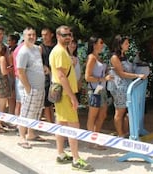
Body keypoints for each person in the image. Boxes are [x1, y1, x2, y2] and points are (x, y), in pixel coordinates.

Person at [49, 25, 94, 172]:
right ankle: (75, 159)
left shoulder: (60, 51)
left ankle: (61, 154)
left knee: (61, 124)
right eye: (64, 35)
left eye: (69, 35)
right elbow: (62, 76)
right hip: (64, 94)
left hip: (60, 93)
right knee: (73, 126)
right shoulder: (61, 52)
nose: (67, 37)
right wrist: (72, 97)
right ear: (57, 36)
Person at [109, 35, 147, 137]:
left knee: (127, 111)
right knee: (120, 111)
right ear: (119, 45)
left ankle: (126, 132)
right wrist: (137, 75)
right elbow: (121, 73)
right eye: (126, 43)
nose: (128, 45)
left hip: (127, 87)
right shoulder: (114, 57)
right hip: (119, 88)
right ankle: (120, 134)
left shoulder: (124, 56)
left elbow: (129, 70)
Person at [16, 27, 46, 149]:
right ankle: (22, 137)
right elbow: (21, 72)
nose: (32, 37)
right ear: (24, 36)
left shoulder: (37, 49)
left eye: (33, 34)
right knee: (25, 113)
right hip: (30, 89)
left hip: (39, 88)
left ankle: (31, 134)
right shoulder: (23, 52)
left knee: (36, 113)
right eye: (29, 35)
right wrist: (28, 88)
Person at [84, 36, 113, 150]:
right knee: (92, 116)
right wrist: (103, 79)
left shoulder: (98, 57)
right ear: (94, 44)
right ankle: (91, 142)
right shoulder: (91, 58)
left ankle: (95, 138)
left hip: (102, 89)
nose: (103, 44)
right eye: (101, 42)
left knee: (102, 115)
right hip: (95, 90)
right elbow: (87, 77)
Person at [40, 27, 56, 123]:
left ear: (51, 35)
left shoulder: (55, 47)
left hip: (56, 76)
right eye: (42, 35)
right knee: (47, 103)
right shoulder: (41, 48)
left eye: (46, 34)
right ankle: (50, 123)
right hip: (46, 77)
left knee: (53, 102)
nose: (44, 37)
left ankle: (53, 122)